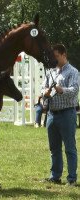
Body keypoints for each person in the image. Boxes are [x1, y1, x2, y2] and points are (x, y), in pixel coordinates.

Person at [41, 44, 78, 186]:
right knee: (54, 148)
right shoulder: (51, 71)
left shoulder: (73, 72)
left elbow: (74, 90)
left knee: (70, 148)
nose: (53, 59)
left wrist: (61, 89)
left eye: (56, 56)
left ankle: (72, 178)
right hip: (51, 114)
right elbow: (43, 87)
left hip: (67, 113)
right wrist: (45, 92)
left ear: (63, 55)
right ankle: (55, 176)